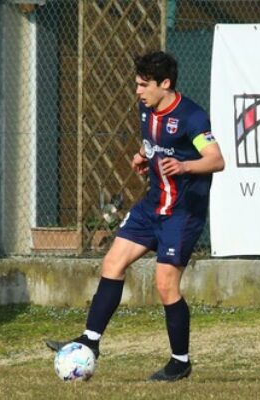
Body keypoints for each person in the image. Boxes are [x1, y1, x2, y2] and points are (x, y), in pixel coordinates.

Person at [46, 50, 225, 381]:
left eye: (144, 85)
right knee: (112, 264)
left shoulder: (192, 117)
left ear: (165, 84)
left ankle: (180, 361)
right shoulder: (147, 108)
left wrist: (185, 165)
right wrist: (143, 154)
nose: (138, 91)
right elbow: (154, 140)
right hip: (150, 206)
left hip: (181, 214)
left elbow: (216, 159)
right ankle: (91, 341)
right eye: (137, 84)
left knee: (165, 284)